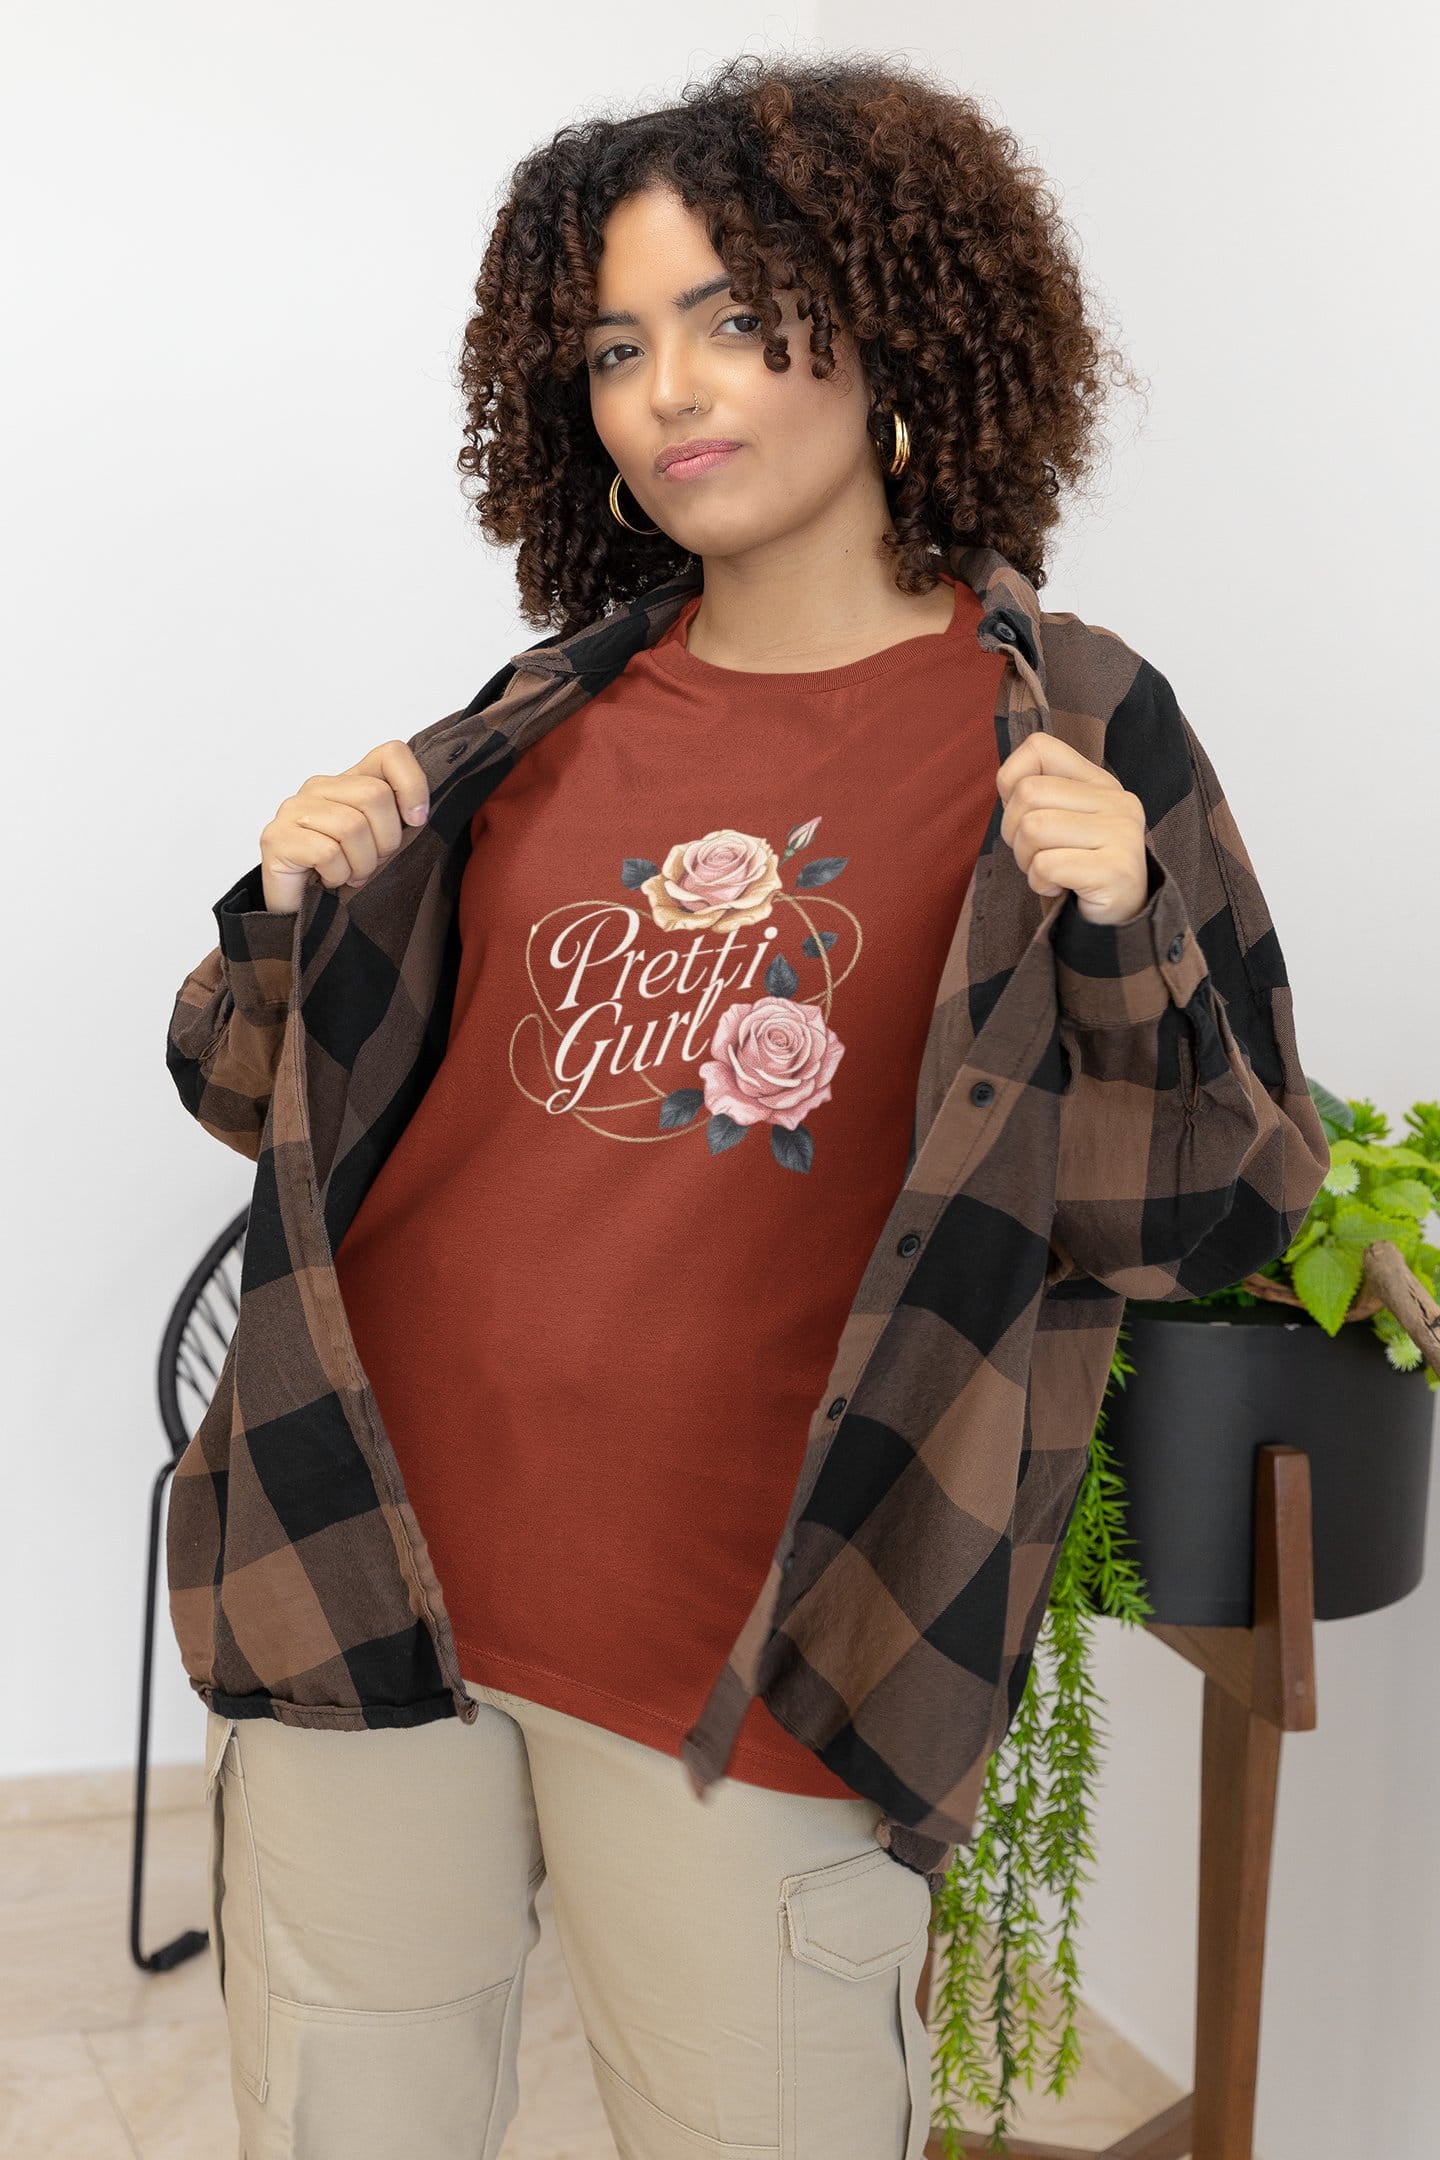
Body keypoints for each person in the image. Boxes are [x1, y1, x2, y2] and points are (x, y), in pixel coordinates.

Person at [165, 50, 1330, 2160]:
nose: (670, 389)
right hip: (366, 1576)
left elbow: (1221, 1214)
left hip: (761, 1661)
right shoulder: (543, 713)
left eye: (734, 313)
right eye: (619, 343)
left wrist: (1127, 926)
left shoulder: (1072, 724)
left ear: (893, 326)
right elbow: (241, 1090)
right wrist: (290, 900)